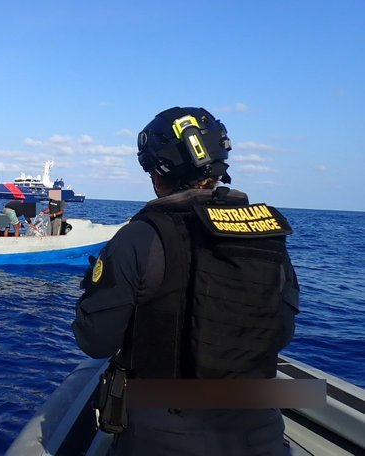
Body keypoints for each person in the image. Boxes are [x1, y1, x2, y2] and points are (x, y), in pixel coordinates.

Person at [72, 106, 299, 455]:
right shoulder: (267, 239)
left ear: (159, 172)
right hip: (260, 432)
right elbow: (280, 333)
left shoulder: (140, 237)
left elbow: (96, 341)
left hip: (162, 436)